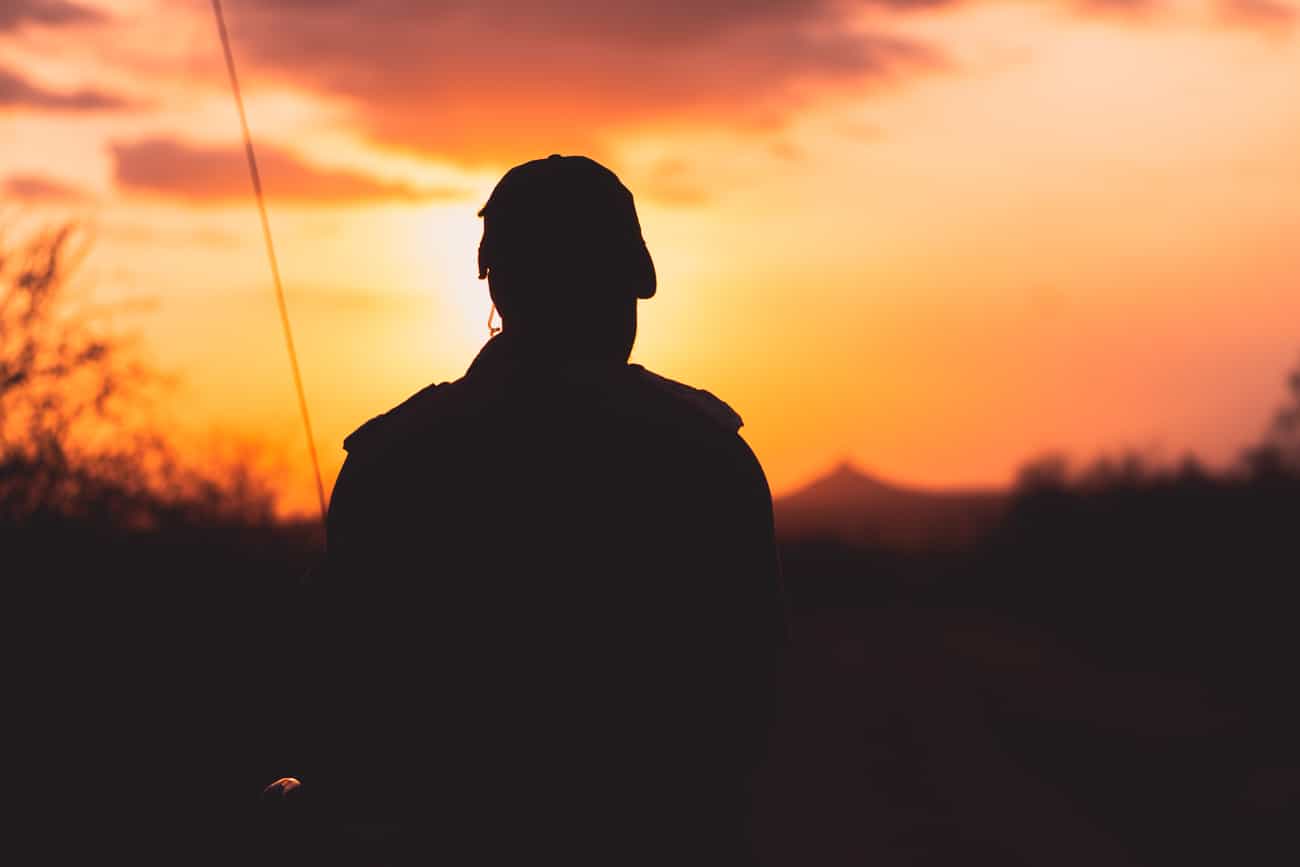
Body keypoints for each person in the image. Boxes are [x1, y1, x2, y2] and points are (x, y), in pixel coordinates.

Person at [290, 154, 787, 865]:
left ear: (497, 284)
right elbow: (748, 701)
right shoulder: (707, 454)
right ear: (634, 281)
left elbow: (335, 696)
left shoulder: (393, 457)